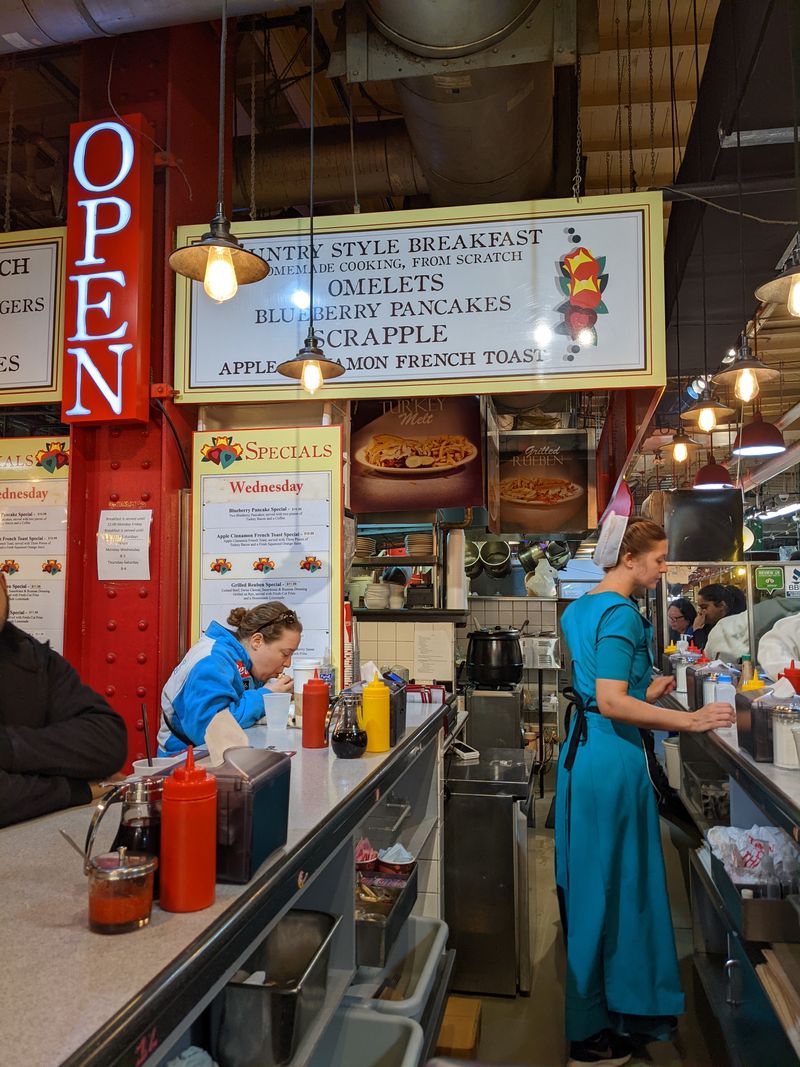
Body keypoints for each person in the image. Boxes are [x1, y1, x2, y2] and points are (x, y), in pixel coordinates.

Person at [555, 519, 735, 1067]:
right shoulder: (621, 613)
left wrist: (645, 691)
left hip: (582, 755)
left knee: (590, 886)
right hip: (610, 759)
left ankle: (602, 1016)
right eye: (658, 560)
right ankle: (594, 1032)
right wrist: (691, 720)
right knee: (613, 890)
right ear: (630, 559)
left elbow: (601, 689)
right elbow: (610, 701)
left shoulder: (581, 607)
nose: (662, 571)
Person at [0, 572, 128, 828]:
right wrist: (74, 789)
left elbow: (107, 740)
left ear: (3, 585)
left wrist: (8, 748)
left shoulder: (31, 658)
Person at [159, 602, 302, 753]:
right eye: (285, 654)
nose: (288, 663)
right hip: (182, 762)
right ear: (257, 641)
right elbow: (212, 730)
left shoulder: (241, 659)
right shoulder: (212, 661)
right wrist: (266, 695)